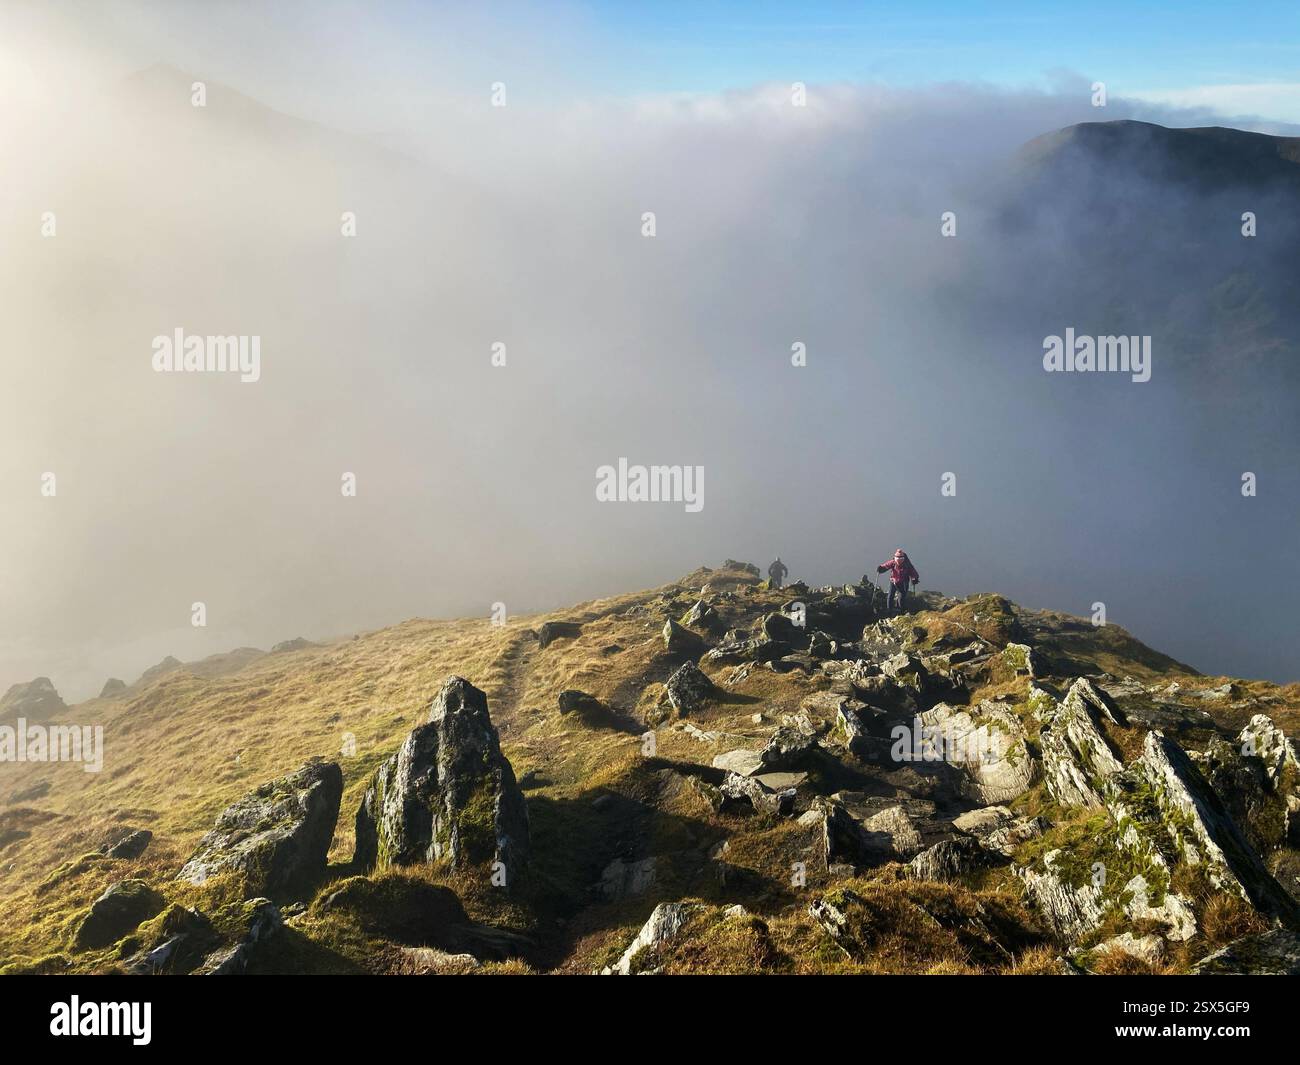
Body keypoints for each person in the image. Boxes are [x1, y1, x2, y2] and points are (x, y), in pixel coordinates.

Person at [876, 549, 919, 613]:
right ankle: (890, 609)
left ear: (903, 558)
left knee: (901, 597)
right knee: (890, 596)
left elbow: (913, 572)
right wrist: (881, 568)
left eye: (900, 557)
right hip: (893, 581)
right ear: (895, 557)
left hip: (903, 582)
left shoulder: (907, 564)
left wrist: (914, 579)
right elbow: (886, 565)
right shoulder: (893, 563)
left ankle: (901, 610)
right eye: (897, 557)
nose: (898, 559)